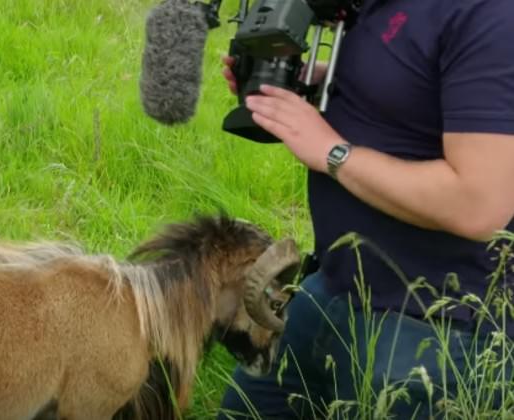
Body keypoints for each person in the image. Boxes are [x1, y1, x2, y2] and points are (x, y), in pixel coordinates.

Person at [218, 0, 514, 418]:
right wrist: (300, 81)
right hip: (330, 287)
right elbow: (406, 79)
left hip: (431, 328)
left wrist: (332, 152)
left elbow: (480, 204)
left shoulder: (489, 16)